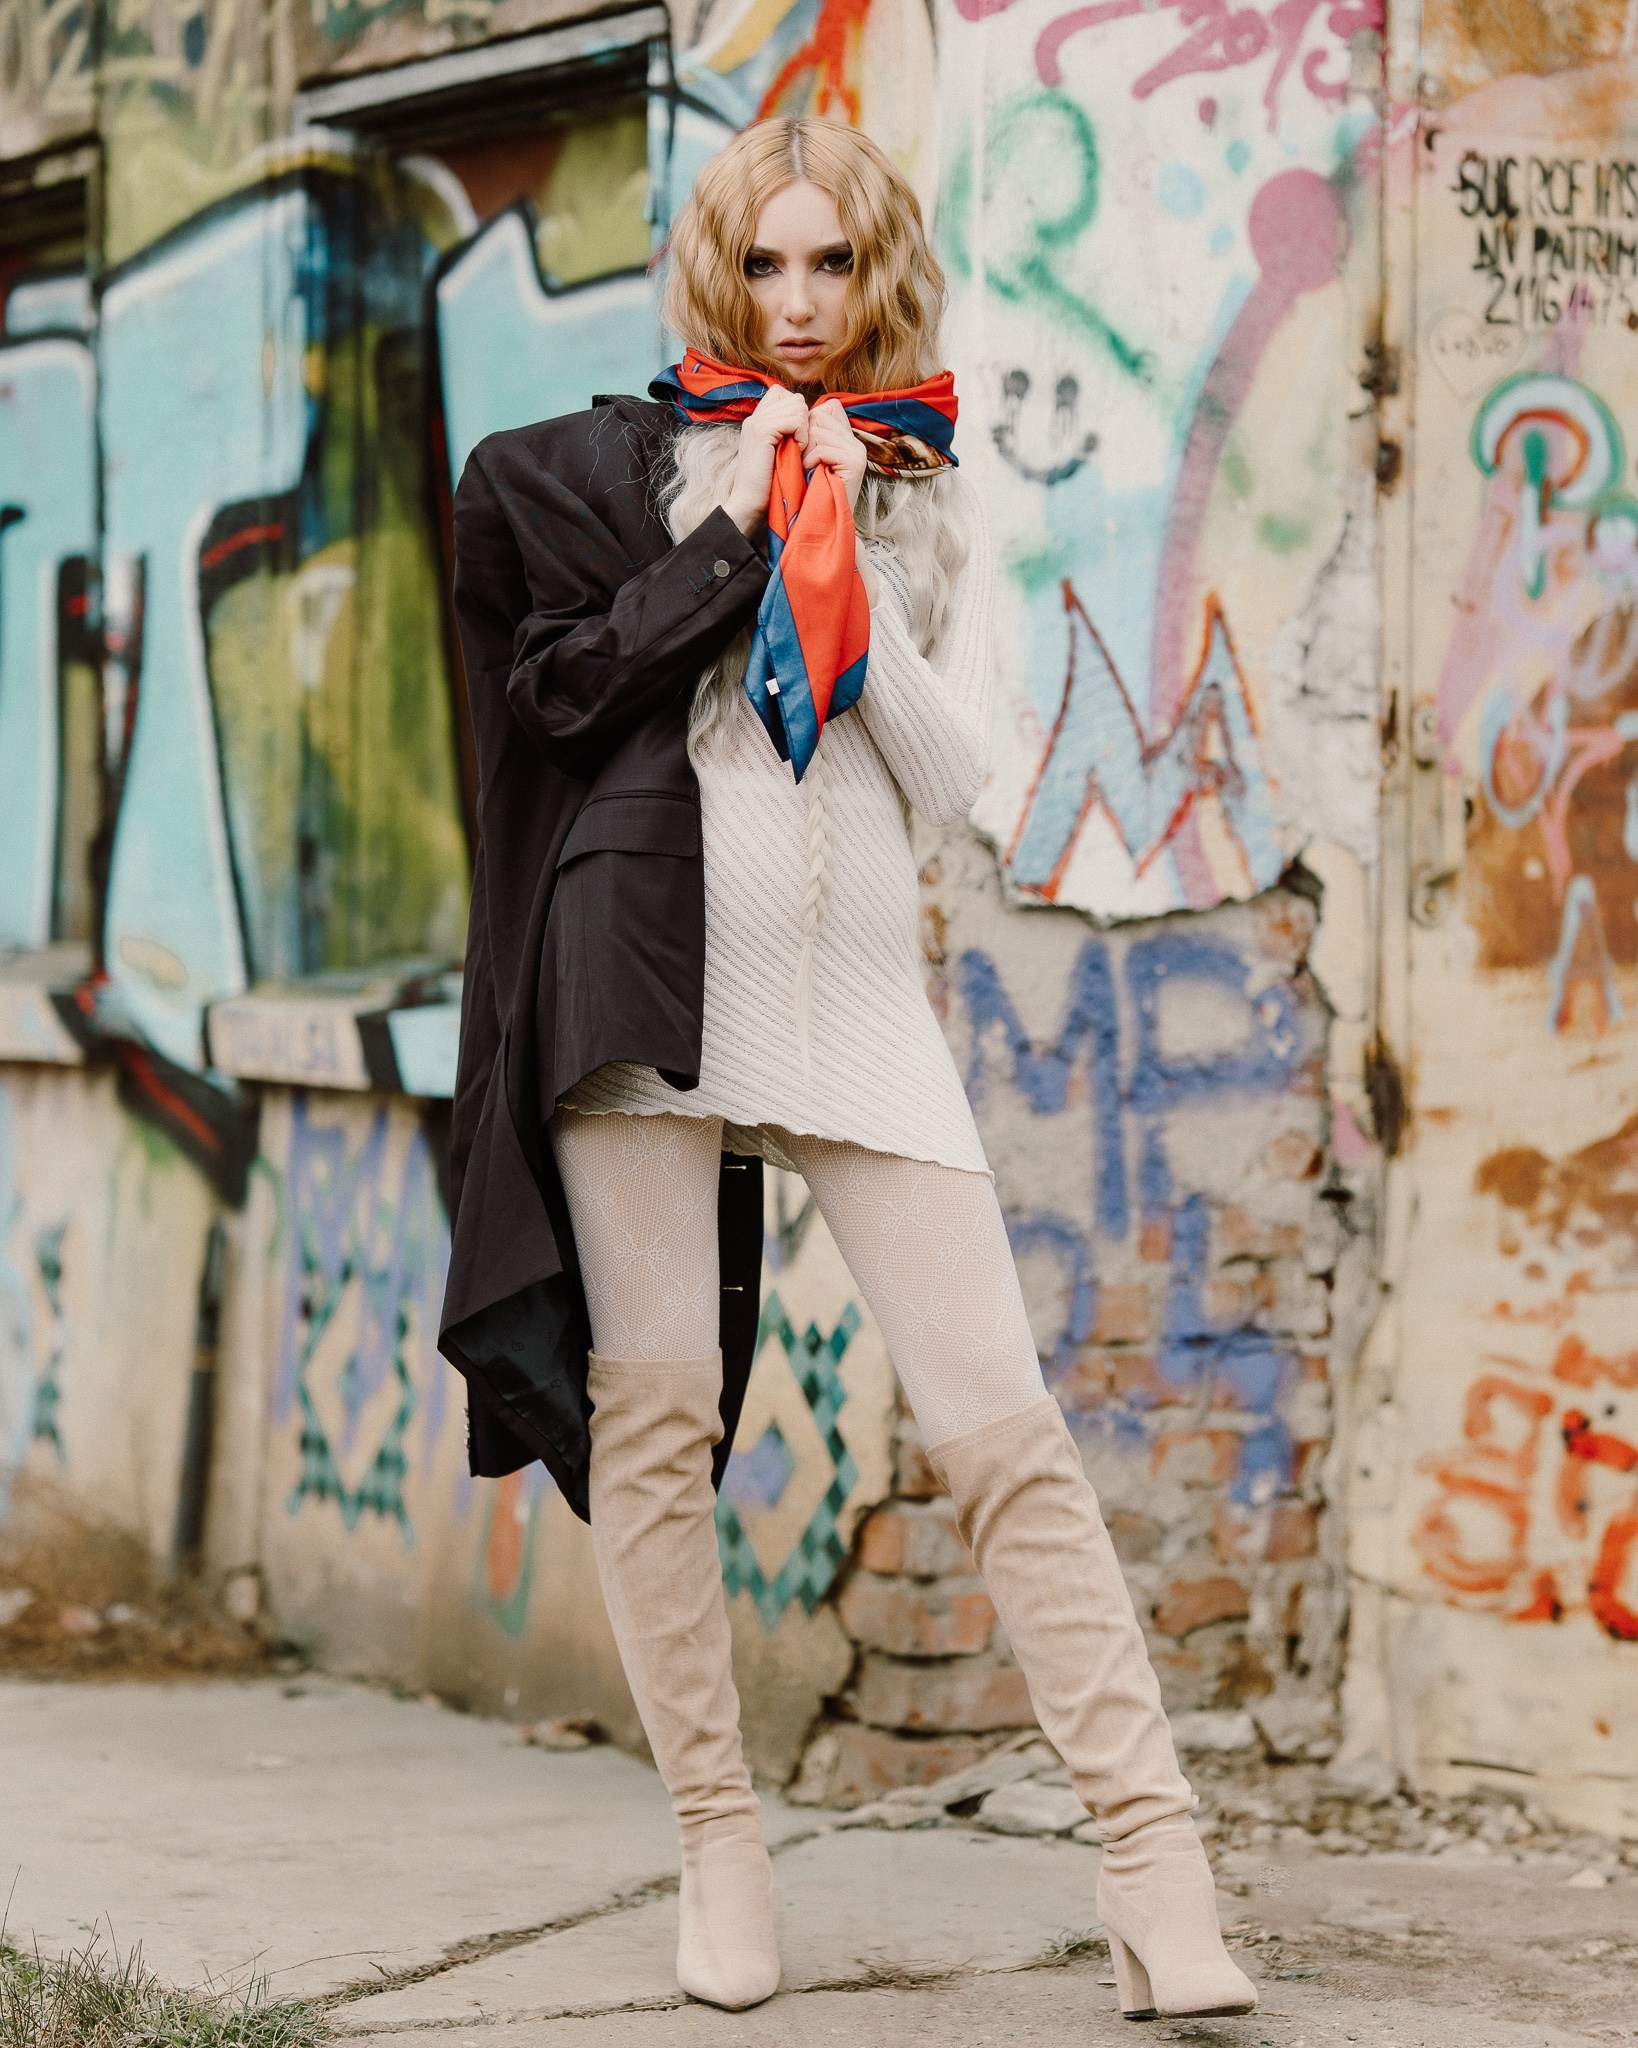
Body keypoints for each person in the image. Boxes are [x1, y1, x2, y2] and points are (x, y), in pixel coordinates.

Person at [439, 114, 1258, 2023]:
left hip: (861, 1001)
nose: (797, 304)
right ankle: (718, 1848)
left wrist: (837, 554)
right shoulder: (607, 476)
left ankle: (1155, 1868)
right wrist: (737, 534)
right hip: (649, 996)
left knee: (1004, 1431)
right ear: (717, 275)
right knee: (654, 1431)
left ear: (877, 275)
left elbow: (954, 776)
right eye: (764, 265)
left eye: (831, 266)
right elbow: (564, 693)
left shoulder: (921, 494)